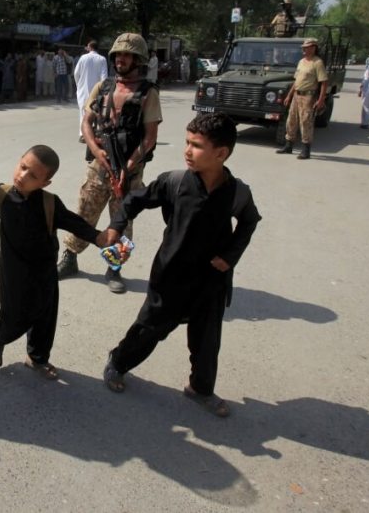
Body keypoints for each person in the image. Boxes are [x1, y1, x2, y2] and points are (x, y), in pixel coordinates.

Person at [101, 113, 261, 418]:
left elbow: (249, 222)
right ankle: (118, 363)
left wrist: (229, 256)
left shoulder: (238, 193)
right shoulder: (173, 182)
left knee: (207, 339)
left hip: (211, 280)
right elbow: (135, 199)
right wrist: (117, 225)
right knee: (149, 329)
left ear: (221, 153)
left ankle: (200, 388)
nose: (187, 150)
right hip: (170, 274)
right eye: (187, 142)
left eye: (196, 145)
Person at [0, 145, 108, 380]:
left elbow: (74, 223)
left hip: (44, 273)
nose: (22, 176)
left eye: (33, 176)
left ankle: (37, 358)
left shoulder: (49, 203)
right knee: (12, 313)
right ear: (19, 161)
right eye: (23, 167)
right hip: (13, 272)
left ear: (45, 183)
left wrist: (98, 237)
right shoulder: (2, 194)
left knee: (44, 317)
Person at [57, 33, 162, 294]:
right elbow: (87, 120)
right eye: (117, 55)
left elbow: (149, 138)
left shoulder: (148, 93)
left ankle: (114, 268)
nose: (120, 60)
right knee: (84, 212)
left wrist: (128, 165)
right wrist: (95, 148)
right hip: (98, 167)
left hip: (130, 172)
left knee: (122, 221)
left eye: (127, 55)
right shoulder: (104, 86)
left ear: (138, 60)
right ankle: (70, 257)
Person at [276, 38, 328, 160]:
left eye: (307, 47)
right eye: (304, 47)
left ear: (313, 48)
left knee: (306, 122)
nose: (304, 49)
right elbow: (296, 81)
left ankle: (306, 149)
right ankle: (288, 146)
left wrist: (320, 100)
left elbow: (324, 82)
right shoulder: (301, 61)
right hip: (296, 95)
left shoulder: (317, 63)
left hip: (308, 96)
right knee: (291, 120)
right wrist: (289, 96)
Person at [74, 41, 108, 142]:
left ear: (90, 47)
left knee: (83, 112)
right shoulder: (102, 59)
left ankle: (83, 134)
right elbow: (104, 77)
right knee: (97, 112)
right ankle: (97, 133)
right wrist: (103, 90)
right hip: (96, 90)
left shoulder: (83, 58)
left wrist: (78, 85)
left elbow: (76, 73)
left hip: (83, 89)